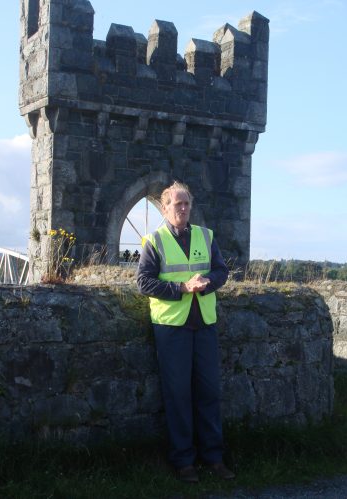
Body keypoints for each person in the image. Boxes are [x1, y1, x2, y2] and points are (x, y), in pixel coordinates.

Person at [136, 181, 235, 483]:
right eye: (176, 204)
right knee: (178, 395)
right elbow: (144, 282)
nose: (182, 208)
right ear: (164, 208)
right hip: (171, 327)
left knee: (209, 392)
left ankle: (214, 458)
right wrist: (182, 287)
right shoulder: (154, 241)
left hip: (204, 323)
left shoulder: (206, 237)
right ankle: (184, 462)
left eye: (186, 203)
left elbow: (221, 271)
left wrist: (208, 281)